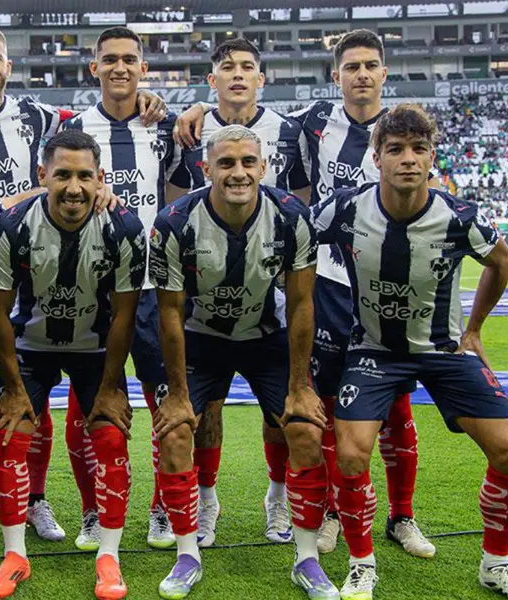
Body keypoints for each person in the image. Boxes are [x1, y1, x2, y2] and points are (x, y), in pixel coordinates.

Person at [176, 29, 434, 557]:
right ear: (335, 75)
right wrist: (200, 106)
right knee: (326, 402)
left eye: (371, 66)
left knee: (397, 403)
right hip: (329, 283)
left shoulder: (404, 132)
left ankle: (402, 516)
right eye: (351, 67)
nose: (361, 75)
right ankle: (332, 511)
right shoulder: (311, 123)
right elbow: (245, 112)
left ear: (384, 73)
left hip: (386, 282)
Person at [0, 24, 166, 544]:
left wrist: (153, 100)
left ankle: (40, 502)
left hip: (62, 274)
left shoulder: (40, 118)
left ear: (8, 67)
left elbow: (94, 133)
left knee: (76, 398)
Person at [312, 104, 508, 600]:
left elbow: (501, 262)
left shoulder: (459, 217)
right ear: (377, 157)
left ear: (432, 156)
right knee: (351, 455)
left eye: (419, 149)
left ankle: (496, 566)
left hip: (444, 352)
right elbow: (294, 239)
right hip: (373, 351)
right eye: (395, 149)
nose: (408, 159)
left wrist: (474, 330)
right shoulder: (345, 208)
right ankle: (361, 564)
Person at [149, 125, 336, 600]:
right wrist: (177, 393)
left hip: (266, 338)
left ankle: (307, 559)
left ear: (263, 167)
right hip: (201, 338)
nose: (238, 172)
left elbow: (301, 304)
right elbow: (169, 312)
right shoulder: (174, 222)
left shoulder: (292, 216)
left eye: (248, 162)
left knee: (305, 429)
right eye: (226, 163)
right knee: (176, 430)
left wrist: (300, 386)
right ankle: (188, 553)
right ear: (205, 168)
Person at [0, 130, 144, 600]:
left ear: (100, 179)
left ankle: (109, 557)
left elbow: (126, 315)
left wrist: (111, 386)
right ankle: (15, 555)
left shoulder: (124, 228)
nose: (74, 188)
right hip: (31, 347)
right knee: (11, 434)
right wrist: (12, 387)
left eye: (85, 176)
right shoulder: (13, 226)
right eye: (63, 175)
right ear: (43, 176)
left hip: (95, 351)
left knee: (110, 435)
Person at [63, 25, 203, 552]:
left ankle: (162, 509)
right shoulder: (73, 128)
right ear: (94, 68)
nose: (119, 67)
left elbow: (179, 203)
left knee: (164, 400)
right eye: (110, 59)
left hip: (151, 286)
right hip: (89, 289)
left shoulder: (165, 127)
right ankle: (93, 511)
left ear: (143, 68)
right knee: (86, 406)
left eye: (129, 59)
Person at [186, 37, 313, 547]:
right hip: (205, 306)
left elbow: (299, 207)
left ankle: (277, 497)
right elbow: (178, 205)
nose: (237, 74)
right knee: (205, 415)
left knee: (281, 415)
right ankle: (206, 500)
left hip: (269, 304)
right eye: (227, 67)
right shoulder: (186, 128)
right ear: (212, 79)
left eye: (247, 67)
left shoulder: (291, 131)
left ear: (261, 78)